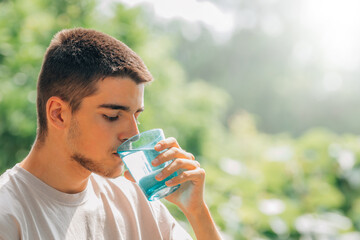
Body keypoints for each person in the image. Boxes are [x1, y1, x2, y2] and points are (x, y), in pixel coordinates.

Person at [0, 28, 222, 240]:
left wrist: (197, 212)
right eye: (112, 116)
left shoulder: (135, 200)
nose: (133, 134)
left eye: (136, 116)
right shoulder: (7, 214)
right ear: (58, 114)